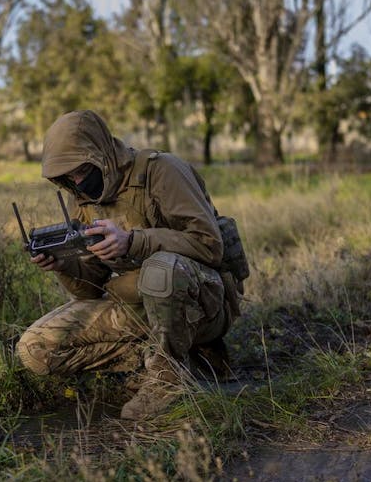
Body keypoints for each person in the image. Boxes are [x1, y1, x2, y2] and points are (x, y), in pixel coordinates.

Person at [15, 109, 238, 420]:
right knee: (34, 350)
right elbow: (90, 291)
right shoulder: (81, 197)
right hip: (139, 306)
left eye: (82, 170)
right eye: (68, 177)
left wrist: (132, 241)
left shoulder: (162, 171)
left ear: (100, 153)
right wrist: (64, 264)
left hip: (202, 303)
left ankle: (167, 378)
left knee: (161, 268)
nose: (78, 182)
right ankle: (168, 361)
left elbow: (209, 245)